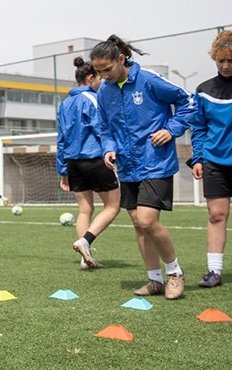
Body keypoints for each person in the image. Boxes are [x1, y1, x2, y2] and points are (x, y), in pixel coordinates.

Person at [91, 35, 196, 300]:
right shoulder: (105, 91)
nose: (103, 76)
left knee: (148, 220)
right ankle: (154, 280)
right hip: (127, 166)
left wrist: (171, 130)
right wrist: (109, 148)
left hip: (155, 162)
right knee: (139, 224)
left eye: (107, 69)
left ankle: (174, 273)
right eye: (98, 71)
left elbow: (188, 102)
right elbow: (105, 127)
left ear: (121, 59)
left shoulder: (148, 80)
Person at [56, 57, 121, 270]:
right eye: (99, 76)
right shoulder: (92, 99)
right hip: (94, 159)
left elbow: (61, 138)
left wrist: (63, 170)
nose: (102, 80)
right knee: (113, 206)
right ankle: (86, 241)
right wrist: (114, 151)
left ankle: (85, 258)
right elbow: (101, 128)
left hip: (74, 162)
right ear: (90, 77)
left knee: (85, 210)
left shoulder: (64, 104)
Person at [188, 28, 232, 288]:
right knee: (216, 215)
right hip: (214, 162)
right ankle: (214, 272)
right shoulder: (204, 90)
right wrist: (198, 158)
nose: (226, 65)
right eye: (221, 61)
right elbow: (199, 128)